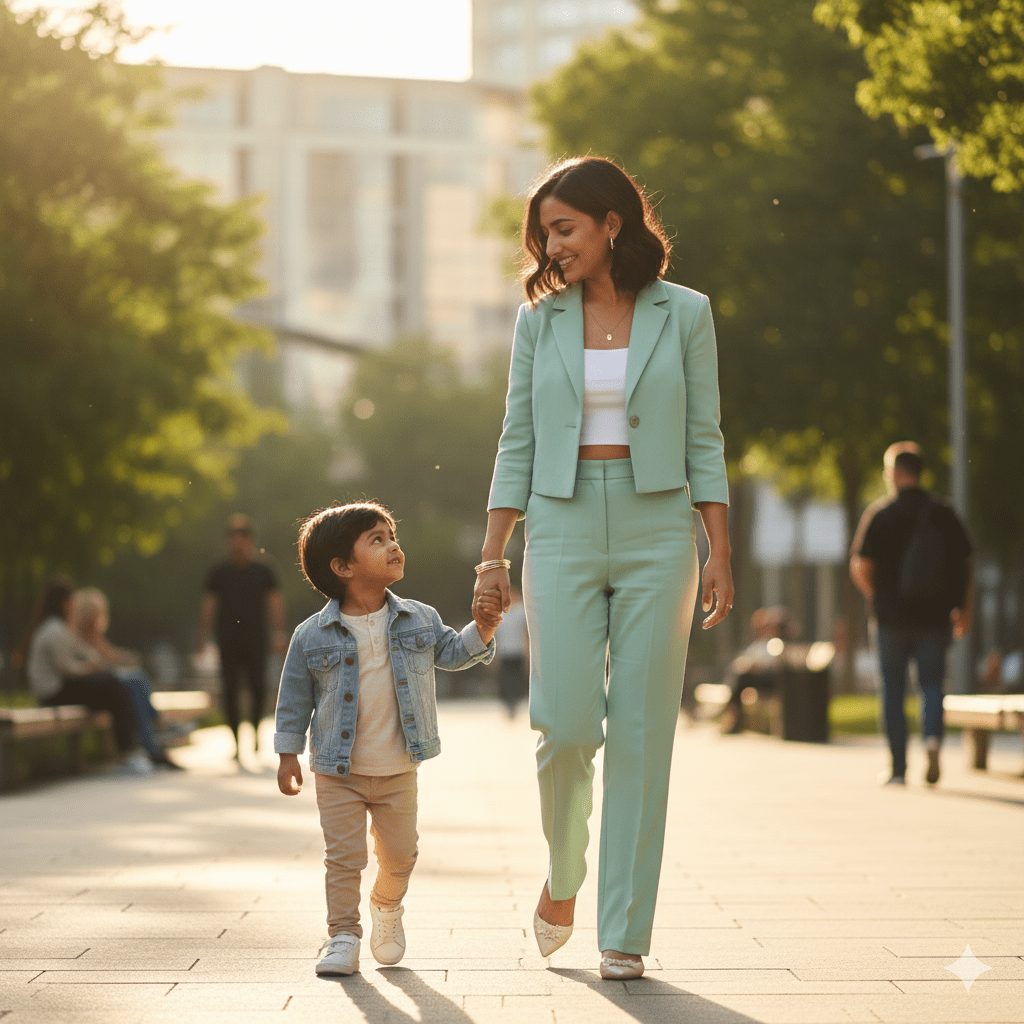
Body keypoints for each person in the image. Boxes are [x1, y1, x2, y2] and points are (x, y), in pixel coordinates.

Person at [475, 156, 733, 980]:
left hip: (661, 524)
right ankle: (565, 872)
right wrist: (493, 552)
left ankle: (624, 929)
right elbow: (517, 437)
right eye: (543, 234)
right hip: (562, 519)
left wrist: (717, 544)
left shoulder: (685, 313)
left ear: (611, 224)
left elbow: (705, 435)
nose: (551, 247)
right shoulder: (539, 323)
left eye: (564, 229)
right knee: (565, 726)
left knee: (645, 733)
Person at [273, 501, 501, 977]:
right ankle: (342, 935)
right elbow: (294, 697)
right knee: (344, 857)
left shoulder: (419, 618)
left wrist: (482, 628)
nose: (393, 544)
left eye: (391, 535)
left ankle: (387, 906)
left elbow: (455, 653)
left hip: (398, 769)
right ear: (342, 567)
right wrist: (287, 753)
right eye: (375, 539)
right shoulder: (311, 635)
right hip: (339, 771)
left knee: (401, 855)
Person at [850, 444, 974, 786]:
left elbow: (860, 565)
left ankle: (898, 769)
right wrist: (964, 611)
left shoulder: (881, 513)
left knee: (892, 689)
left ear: (894, 473)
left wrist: (876, 595)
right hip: (936, 618)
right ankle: (932, 740)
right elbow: (966, 565)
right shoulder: (944, 513)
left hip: (891, 619)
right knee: (932, 684)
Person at [25, 578, 152, 774]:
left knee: (116, 687)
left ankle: (132, 750)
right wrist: (92, 667)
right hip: (53, 693)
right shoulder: (54, 630)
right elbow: (67, 669)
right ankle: (129, 752)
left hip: (59, 689)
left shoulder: (58, 628)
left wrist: (96, 663)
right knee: (114, 687)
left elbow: (85, 655)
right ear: (65, 603)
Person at [198, 514, 287, 761]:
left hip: (257, 637)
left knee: (259, 687)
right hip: (228, 639)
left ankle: (257, 732)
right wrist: (202, 637)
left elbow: (275, 603)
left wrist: (279, 632)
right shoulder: (219, 572)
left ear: (250, 541)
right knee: (229, 689)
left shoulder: (264, 570)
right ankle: (237, 742)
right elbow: (209, 605)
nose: (237, 544)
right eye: (233, 539)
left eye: (242, 539)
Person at [69, 587, 183, 770]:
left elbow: (111, 656)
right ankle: (156, 731)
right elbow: (87, 668)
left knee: (135, 679)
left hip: (106, 686)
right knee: (133, 683)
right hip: (95, 690)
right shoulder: (73, 639)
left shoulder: (95, 638)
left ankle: (154, 737)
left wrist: (126, 658)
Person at [494, 586, 529, 717]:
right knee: (505, 679)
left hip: (518, 650)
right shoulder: (501, 613)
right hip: (504, 651)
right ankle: (508, 702)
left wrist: (528, 652)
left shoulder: (521, 612)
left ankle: (515, 701)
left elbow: (526, 633)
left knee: (517, 678)